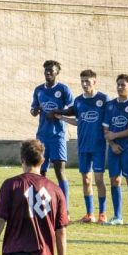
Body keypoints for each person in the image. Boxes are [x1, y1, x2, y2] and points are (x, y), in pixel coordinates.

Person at [57, 69, 109, 223]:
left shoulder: (103, 99)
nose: (85, 84)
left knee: (99, 180)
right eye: (82, 81)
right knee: (86, 180)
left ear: (94, 81)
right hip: (83, 146)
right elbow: (79, 121)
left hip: (98, 146)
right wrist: (62, 118)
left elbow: (107, 122)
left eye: (87, 81)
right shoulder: (79, 101)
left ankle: (103, 213)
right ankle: (89, 214)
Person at [102, 74, 128, 226]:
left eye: (123, 85)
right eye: (118, 84)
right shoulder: (110, 105)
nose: (120, 87)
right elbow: (105, 128)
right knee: (114, 180)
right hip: (113, 149)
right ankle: (117, 216)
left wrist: (115, 135)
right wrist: (112, 144)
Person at [32, 60, 72, 210]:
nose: (48, 73)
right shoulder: (38, 90)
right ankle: (41, 205)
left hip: (58, 136)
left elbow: (71, 109)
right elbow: (33, 108)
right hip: (42, 135)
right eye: (46, 70)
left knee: (59, 170)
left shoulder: (63, 89)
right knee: (40, 171)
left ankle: (64, 208)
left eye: (51, 70)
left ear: (57, 73)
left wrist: (57, 112)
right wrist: (34, 111)